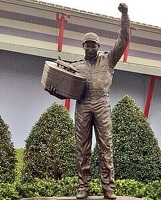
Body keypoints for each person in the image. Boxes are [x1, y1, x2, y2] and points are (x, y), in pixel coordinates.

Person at [47, 3, 130, 199]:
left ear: (98, 47)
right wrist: (55, 92)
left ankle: (108, 187)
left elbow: (124, 39)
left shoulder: (109, 60)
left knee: (106, 147)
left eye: (94, 45)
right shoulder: (75, 66)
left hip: (102, 104)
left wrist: (125, 15)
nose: (91, 48)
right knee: (82, 148)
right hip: (83, 105)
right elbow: (66, 89)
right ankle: (83, 186)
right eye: (88, 45)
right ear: (83, 46)